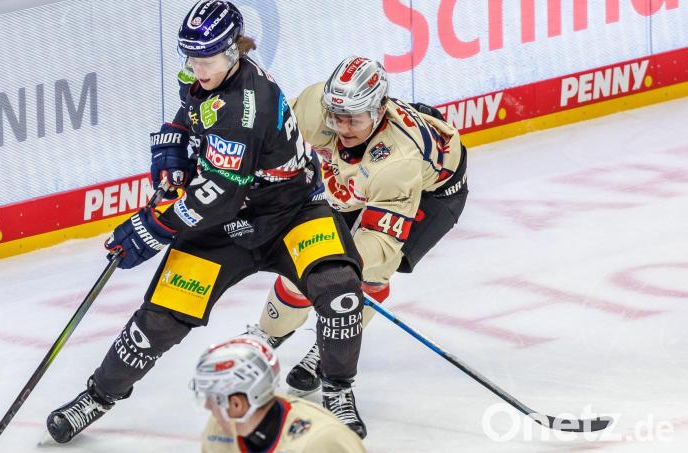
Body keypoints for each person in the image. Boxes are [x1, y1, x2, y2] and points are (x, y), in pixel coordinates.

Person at [45, 1, 369, 443]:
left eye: (208, 59)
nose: (197, 68)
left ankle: (336, 388)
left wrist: (152, 227)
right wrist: (172, 151)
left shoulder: (244, 107)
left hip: (289, 215)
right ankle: (98, 397)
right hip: (226, 227)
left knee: (341, 294)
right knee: (157, 322)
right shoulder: (201, 76)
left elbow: (219, 195)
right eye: (191, 57)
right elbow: (190, 117)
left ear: (233, 52)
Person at [254, 56, 468, 395]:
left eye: (354, 118)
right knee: (306, 255)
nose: (343, 128)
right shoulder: (314, 108)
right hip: (358, 183)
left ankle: (329, 348)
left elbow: (381, 243)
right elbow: (267, 140)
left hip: (429, 194)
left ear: (379, 110)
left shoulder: (398, 162)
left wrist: (327, 262)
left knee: (369, 270)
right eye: (337, 117)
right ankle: (267, 336)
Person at [193, 336, 367, 452]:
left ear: (237, 404)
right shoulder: (219, 431)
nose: (208, 406)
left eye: (211, 398)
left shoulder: (322, 441)